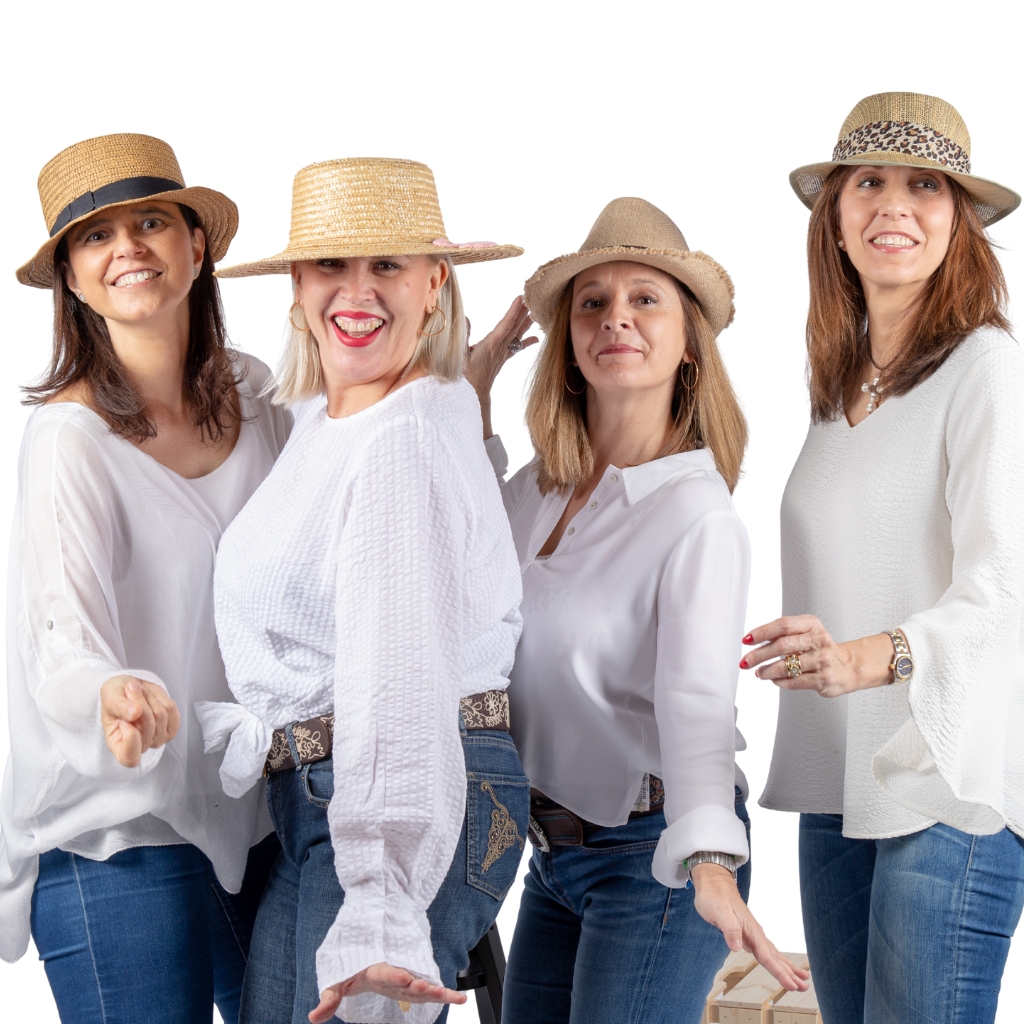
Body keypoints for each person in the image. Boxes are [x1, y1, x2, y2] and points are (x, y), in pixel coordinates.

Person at [197, 157, 529, 1024]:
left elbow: (397, 673)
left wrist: (380, 896)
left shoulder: (400, 436)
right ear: (297, 285)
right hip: (345, 786)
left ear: (434, 282)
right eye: (332, 266)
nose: (358, 291)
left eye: (386, 265)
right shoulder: (348, 416)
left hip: (397, 780)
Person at [464, 197, 808, 1024]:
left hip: (654, 855)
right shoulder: (539, 491)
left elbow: (695, 702)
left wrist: (713, 864)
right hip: (550, 853)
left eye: (645, 298)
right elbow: (459, 557)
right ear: (572, 345)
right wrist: (470, 393)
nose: (616, 317)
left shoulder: (697, 515)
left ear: (688, 344)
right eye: (593, 302)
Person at [743, 92, 1024, 1024]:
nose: (892, 207)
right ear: (835, 216)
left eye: (924, 187)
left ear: (961, 220)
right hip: (842, 785)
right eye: (868, 182)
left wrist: (867, 657)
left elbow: (1005, 582)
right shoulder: (840, 380)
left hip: (948, 785)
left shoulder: (985, 367)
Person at [0, 133, 292, 1024]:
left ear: (195, 247)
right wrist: (114, 692)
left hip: (261, 814)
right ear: (73, 282)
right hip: (117, 832)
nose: (126, 246)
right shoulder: (69, 439)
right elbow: (64, 636)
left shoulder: (261, 407)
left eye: (151, 221)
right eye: (95, 238)